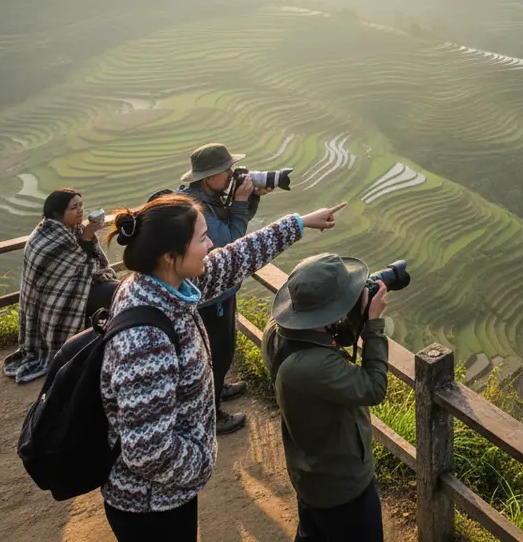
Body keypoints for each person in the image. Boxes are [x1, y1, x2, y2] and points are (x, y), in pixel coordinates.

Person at [99, 193, 346, 542]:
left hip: (165, 494)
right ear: (170, 256)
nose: (211, 244)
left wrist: (300, 223)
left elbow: (233, 259)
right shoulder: (146, 340)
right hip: (150, 506)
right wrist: (200, 461)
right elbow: (147, 451)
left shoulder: (164, 284)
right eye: (201, 238)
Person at [271, 253, 390, 542]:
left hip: (311, 472)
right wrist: (372, 324)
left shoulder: (280, 335)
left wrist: (350, 318)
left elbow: (324, 337)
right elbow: (374, 386)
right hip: (342, 484)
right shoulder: (313, 366)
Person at [178, 143, 270, 434]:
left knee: (221, 351)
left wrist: (249, 200)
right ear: (208, 177)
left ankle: (217, 388)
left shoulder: (206, 198)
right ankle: (212, 414)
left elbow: (232, 223)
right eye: (225, 170)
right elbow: (230, 240)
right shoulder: (197, 207)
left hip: (219, 291)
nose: (231, 174)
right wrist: (242, 202)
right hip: (211, 296)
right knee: (217, 351)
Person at [4, 188, 118, 384]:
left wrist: (88, 233)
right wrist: (87, 239)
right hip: (59, 301)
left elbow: (88, 261)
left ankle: (105, 341)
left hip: (79, 289)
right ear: (57, 213)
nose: (80, 211)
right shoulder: (47, 238)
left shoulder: (73, 230)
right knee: (115, 292)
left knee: (114, 290)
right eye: (73, 207)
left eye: (81, 205)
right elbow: (76, 268)